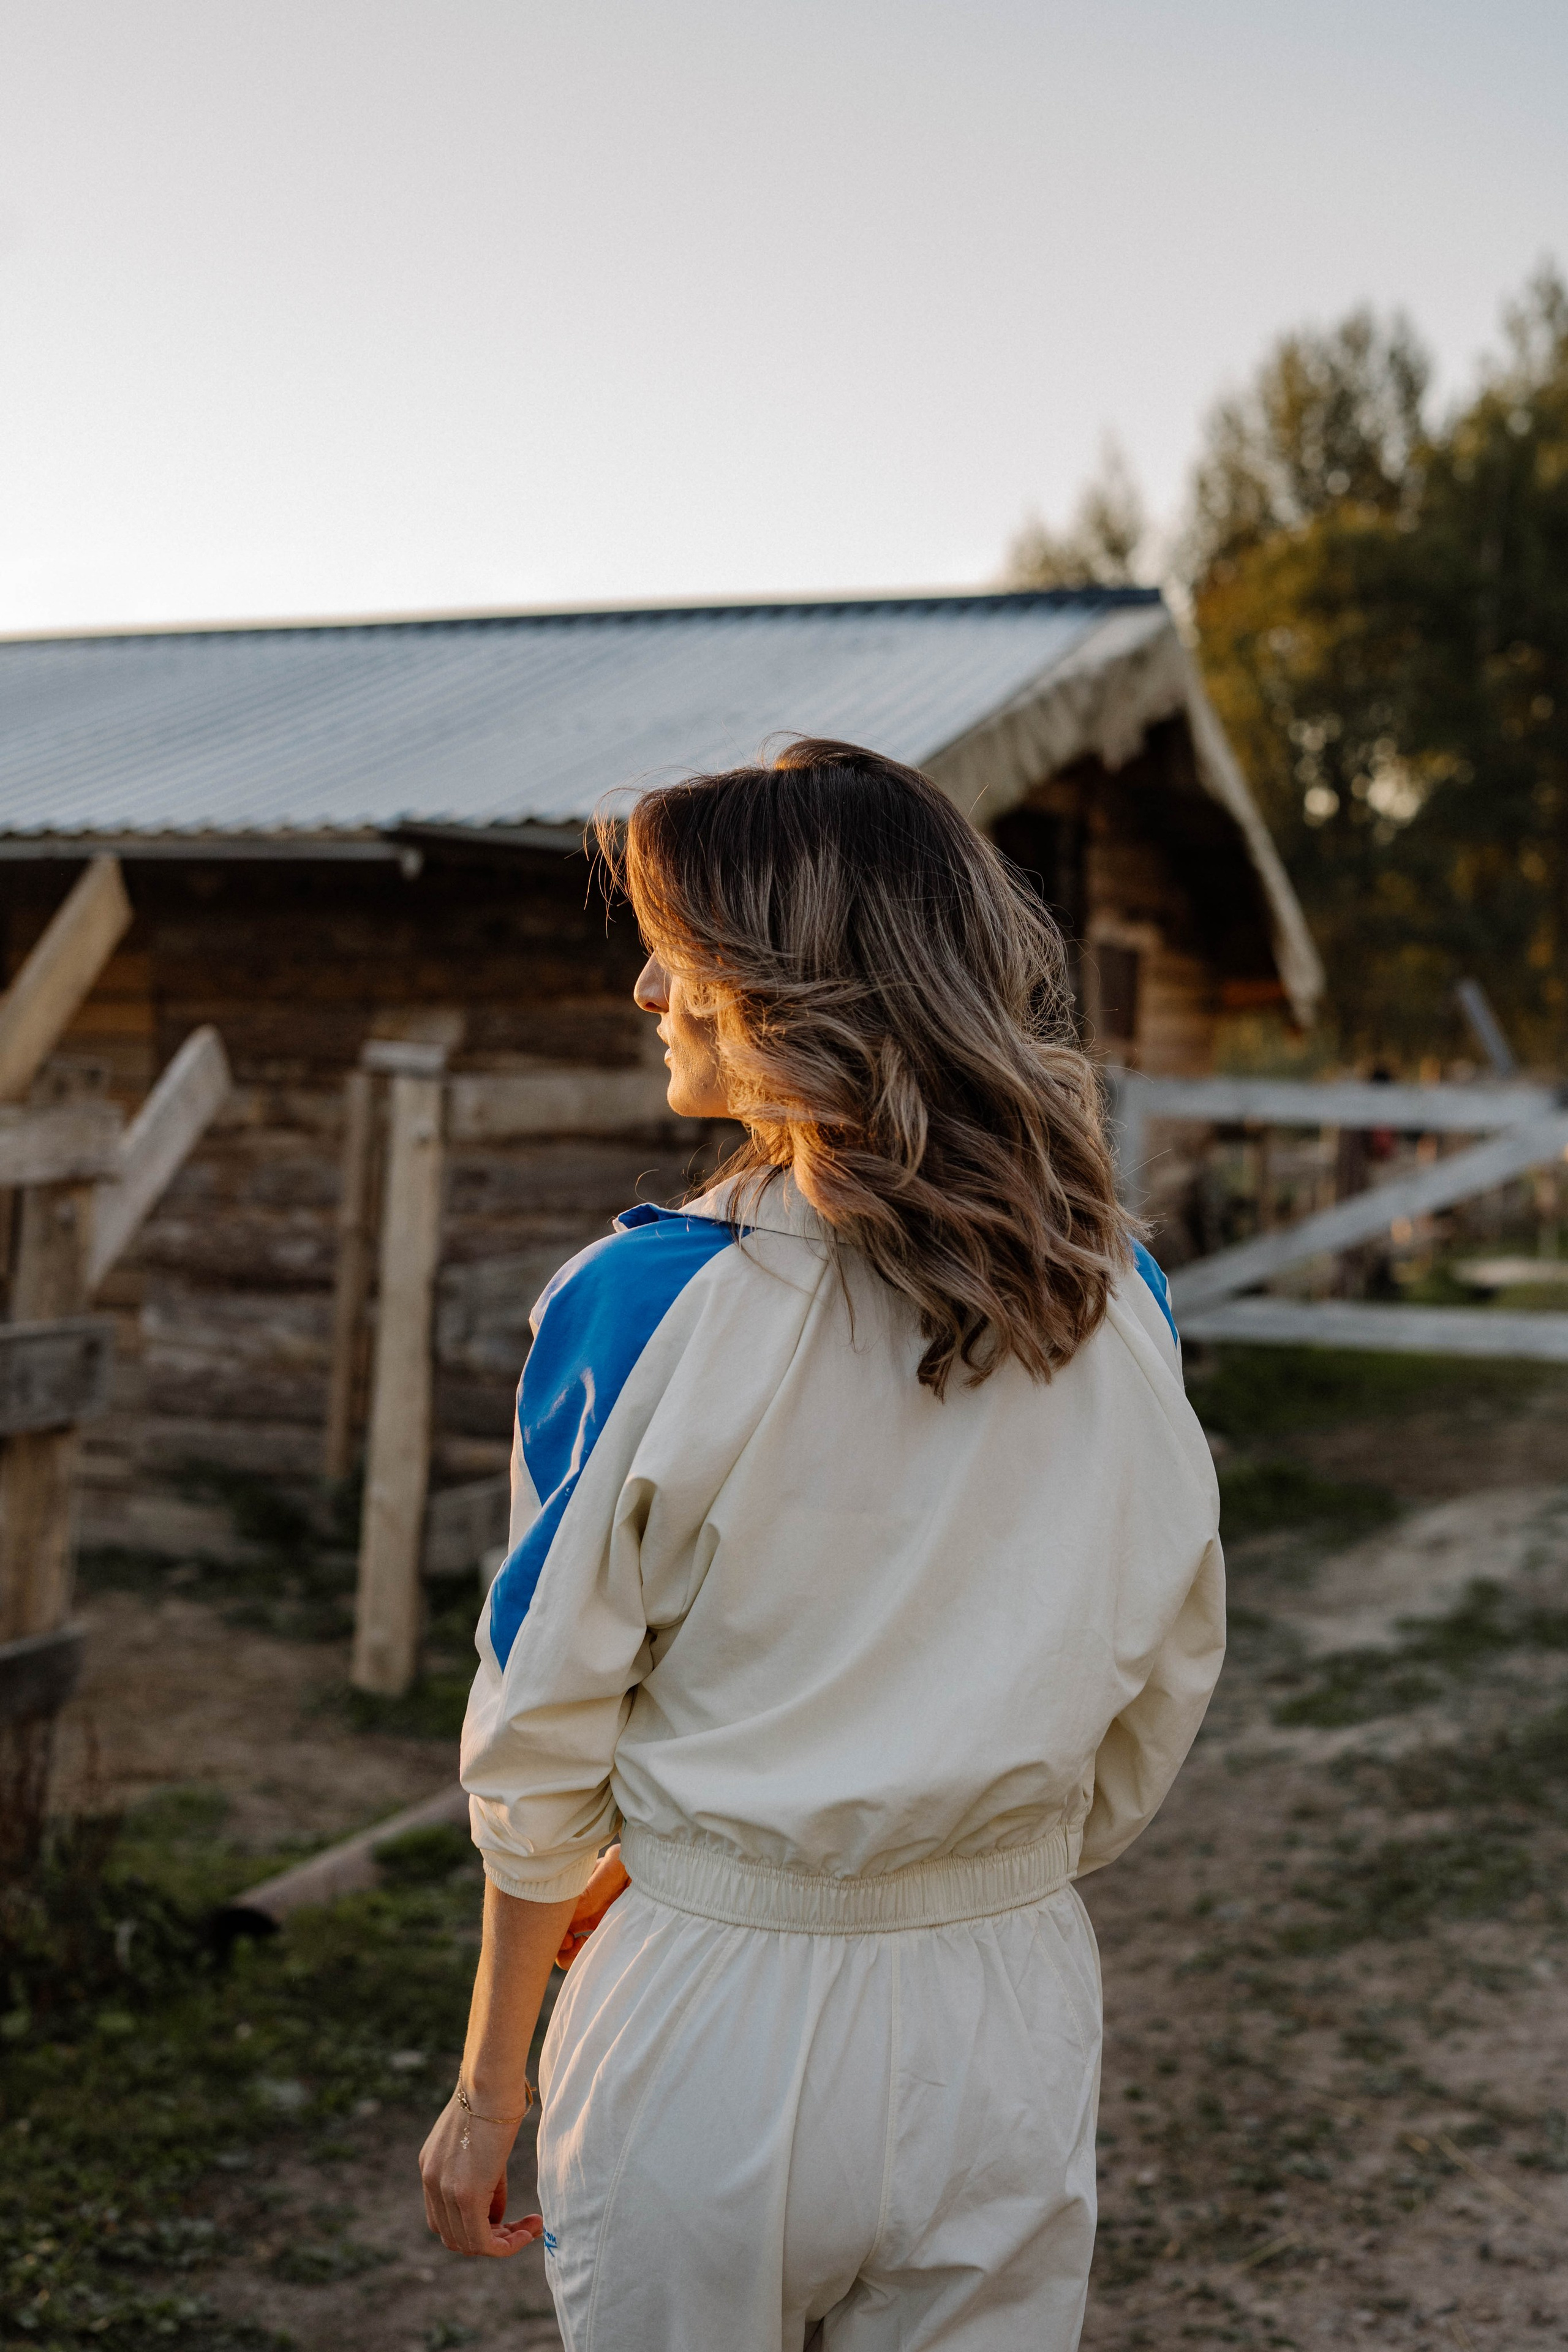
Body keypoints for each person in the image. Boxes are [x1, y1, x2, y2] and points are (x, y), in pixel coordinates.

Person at [420, 739, 1224, 2351]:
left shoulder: (642, 1304)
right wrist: (967, 1861)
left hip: (715, 2013)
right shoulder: (1120, 1295)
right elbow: (1164, 1674)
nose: (647, 988)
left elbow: (541, 1736)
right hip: (1010, 1997)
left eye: (679, 950)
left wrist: (492, 2084)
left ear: (787, 988)